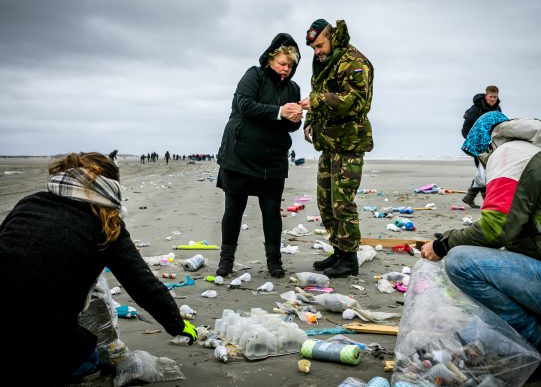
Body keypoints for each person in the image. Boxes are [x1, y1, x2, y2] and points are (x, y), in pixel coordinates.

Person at [421, 112, 541, 369]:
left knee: (461, 262)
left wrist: (442, 245)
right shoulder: (530, 152)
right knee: (476, 327)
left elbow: (495, 229)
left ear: (483, 141)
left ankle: (540, 342)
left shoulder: (509, 155)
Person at [0, 152, 198, 384]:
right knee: (91, 358)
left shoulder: (31, 202)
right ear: (110, 186)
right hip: (39, 340)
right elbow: (143, 284)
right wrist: (177, 324)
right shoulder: (105, 224)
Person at [216, 33, 302, 278]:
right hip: (240, 154)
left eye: (290, 65)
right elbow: (245, 105)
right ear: (270, 59)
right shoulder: (253, 75)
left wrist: (295, 119)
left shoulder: (293, 88)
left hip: (272, 158)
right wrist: (279, 111)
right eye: (282, 63)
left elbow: (289, 125)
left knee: (272, 210)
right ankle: (226, 261)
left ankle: (274, 262)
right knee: (234, 210)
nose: (286, 69)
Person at [299, 19, 374, 278]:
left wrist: (317, 102)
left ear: (332, 37)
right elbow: (316, 92)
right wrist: (310, 120)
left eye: (319, 45)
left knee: (342, 203)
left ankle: (349, 258)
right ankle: (338, 251)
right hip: (329, 144)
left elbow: (357, 102)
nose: (317, 51)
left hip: (349, 144)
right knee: (325, 202)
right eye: (313, 48)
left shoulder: (355, 62)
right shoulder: (324, 62)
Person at [461, 85, 501, 208]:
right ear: (486, 95)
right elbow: (465, 130)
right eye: (491, 96)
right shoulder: (475, 109)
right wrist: (475, 143)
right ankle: (486, 200)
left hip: (491, 145)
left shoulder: (497, 109)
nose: (493, 99)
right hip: (477, 146)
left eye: (495, 97)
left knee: (484, 171)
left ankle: (470, 196)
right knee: (485, 171)